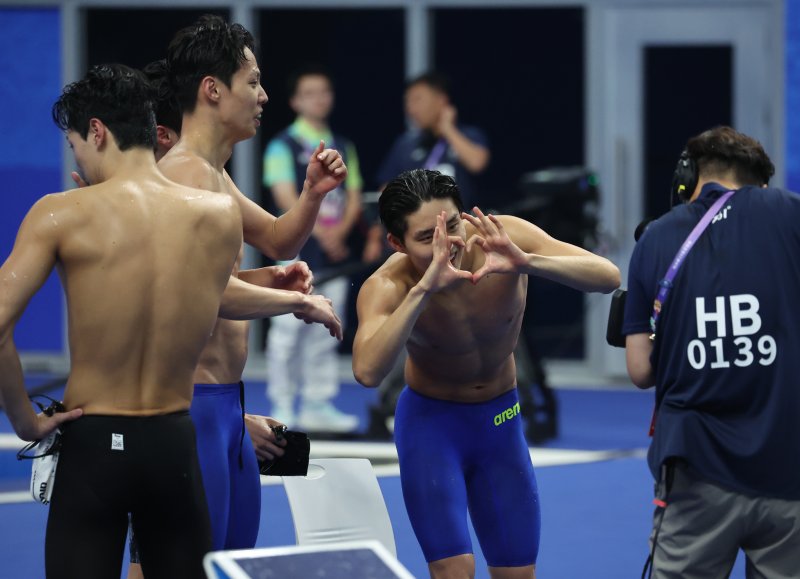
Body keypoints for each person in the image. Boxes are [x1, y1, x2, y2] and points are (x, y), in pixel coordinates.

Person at [0, 63, 245, 578]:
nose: (80, 162)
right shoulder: (218, 215)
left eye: (77, 147)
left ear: (96, 131)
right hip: (174, 444)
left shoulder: (59, 213)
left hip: (93, 447)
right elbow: (215, 297)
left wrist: (26, 421)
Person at [352, 169, 620, 578]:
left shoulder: (505, 236)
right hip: (432, 428)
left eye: (454, 225)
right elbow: (368, 371)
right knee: (454, 573)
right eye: (427, 238)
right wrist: (423, 290)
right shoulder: (390, 283)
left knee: (517, 574)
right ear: (396, 243)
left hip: (500, 423)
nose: (450, 245)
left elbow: (608, 277)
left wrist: (527, 262)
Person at [158, 14, 347, 554]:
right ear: (212, 90)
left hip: (226, 406)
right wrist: (294, 300)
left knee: (230, 562)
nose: (263, 96)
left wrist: (311, 193)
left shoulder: (214, 175)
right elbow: (204, 294)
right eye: (253, 82)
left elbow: (277, 239)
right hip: (191, 407)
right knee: (191, 565)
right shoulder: (183, 176)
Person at [623, 126, 800, 578]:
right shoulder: (788, 211)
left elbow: (641, 370)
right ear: (761, 183)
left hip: (695, 470)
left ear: (688, 179)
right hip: (789, 466)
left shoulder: (655, 239)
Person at [263, 65, 364, 431]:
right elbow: (286, 197)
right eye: (309, 93)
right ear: (294, 101)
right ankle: (283, 403)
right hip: (296, 253)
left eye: (324, 91)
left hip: (335, 255)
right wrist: (322, 233)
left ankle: (318, 402)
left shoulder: (344, 144)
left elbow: (353, 197)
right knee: (288, 333)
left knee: (326, 330)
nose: (318, 99)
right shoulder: (281, 145)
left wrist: (340, 234)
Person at [376, 71, 490, 208]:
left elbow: (477, 163)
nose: (410, 109)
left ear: (441, 101)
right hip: (421, 226)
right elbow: (385, 191)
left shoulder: (469, 134)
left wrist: (448, 129)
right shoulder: (405, 144)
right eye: (407, 102)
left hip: (462, 224)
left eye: (417, 100)